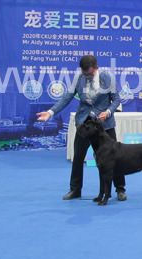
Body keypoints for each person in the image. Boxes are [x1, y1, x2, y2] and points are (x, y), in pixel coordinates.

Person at [36, 54, 125, 201]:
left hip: (104, 125)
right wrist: (50, 113)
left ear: (96, 68)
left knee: (114, 156)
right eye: (84, 73)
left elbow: (116, 100)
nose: (86, 76)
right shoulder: (78, 78)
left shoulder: (107, 78)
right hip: (84, 123)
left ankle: (120, 189)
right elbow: (67, 98)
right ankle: (75, 190)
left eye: (89, 74)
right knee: (78, 156)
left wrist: (108, 112)